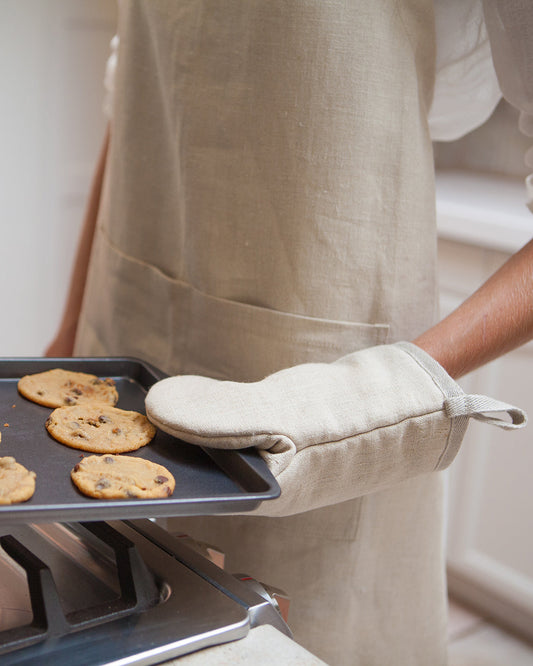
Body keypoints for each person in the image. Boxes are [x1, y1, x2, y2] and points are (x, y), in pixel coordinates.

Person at [47, 1, 533, 664]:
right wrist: (73, 324)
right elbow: (125, 95)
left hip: (316, 376)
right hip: (124, 329)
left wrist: (362, 398)